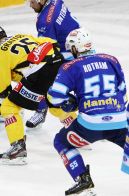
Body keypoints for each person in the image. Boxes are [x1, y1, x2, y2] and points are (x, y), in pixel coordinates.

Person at [46, 28, 127, 196]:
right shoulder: (111, 60)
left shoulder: (70, 66)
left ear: (75, 48)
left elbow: (56, 97)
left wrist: (72, 102)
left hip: (89, 125)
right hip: (120, 120)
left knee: (60, 141)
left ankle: (83, 180)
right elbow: (124, 94)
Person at [0, 24, 67, 165]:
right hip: (58, 62)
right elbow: (53, 43)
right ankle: (76, 131)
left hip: (40, 74)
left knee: (8, 107)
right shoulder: (19, 36)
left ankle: (17, 148)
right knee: (52, 99)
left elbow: (2, 93)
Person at [25, 0, 87, 129]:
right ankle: (96, 113)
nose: (30, 5)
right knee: (85, 85)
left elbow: (48, 50)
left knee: (41, 76)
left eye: (31, 2)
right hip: (83, 44)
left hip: (69, 53)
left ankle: (42, 110)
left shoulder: (45, 21)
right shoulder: (55, 1)